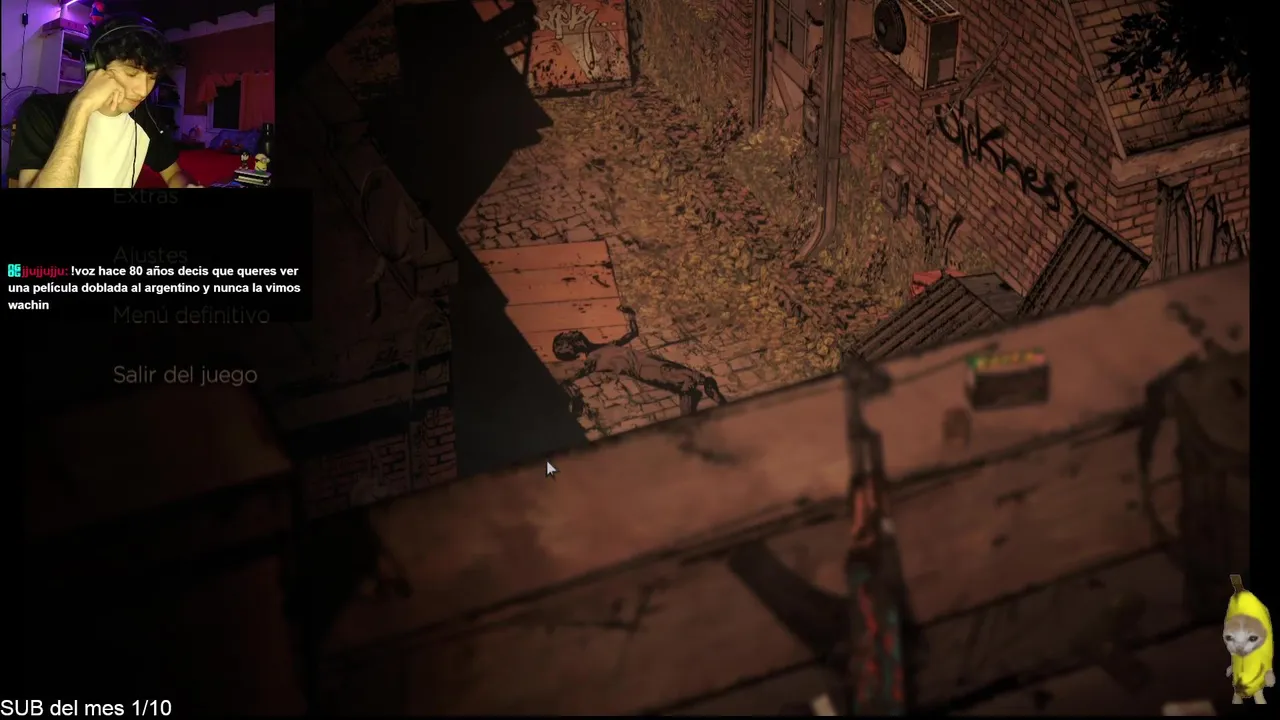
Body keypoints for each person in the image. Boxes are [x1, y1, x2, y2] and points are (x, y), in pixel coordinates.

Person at [5, 14, 198, 189]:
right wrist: (81, 108)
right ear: (94, 67)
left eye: (152, 77)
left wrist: (186, 185)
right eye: (131, 73)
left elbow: (175, 174)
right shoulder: (42, 111)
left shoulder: (146, 117)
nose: (143, 91)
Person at [551, 306, 728, 417]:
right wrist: (568, 387)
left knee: (696, 382)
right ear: (573, 347)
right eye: (570, 336)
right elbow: (577, 374)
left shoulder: (604, 346)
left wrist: (632, 317)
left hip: (651, 362)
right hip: (646, 369)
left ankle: (710, 410)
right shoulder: (592, 358)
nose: (574, 332)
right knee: (690, 382)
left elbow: (632, 334)